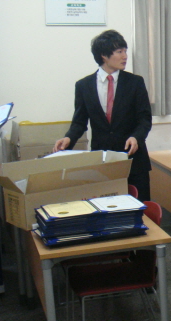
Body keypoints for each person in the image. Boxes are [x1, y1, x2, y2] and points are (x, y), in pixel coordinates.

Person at [54, 30, 152, 201]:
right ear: (104, 56)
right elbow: (79, 122)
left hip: (133, 159)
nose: (125, 56)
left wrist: (136, 137)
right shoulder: (84, 86)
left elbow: (144, 119)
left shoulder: (135, 82)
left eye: (125, 51)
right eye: (119, 52)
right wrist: (68, 138)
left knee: (139, 208)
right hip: (103, 161)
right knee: (106, 208)